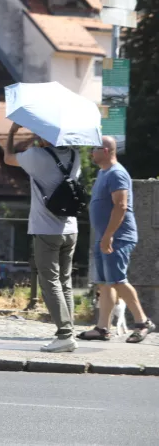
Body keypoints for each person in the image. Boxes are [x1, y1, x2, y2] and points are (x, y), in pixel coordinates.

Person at [4, 123, 80, 353]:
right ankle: (69, 331)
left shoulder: (36, 155)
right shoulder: (75, 156)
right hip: (70, 228)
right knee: (65, 282)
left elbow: (8, 158)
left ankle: (64, 334)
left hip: (46, 228)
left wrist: (12, 133)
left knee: (50, 282)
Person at [77, 136, 155, 343]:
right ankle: (103, 328)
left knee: (118, 281)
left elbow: (120, 206)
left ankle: (142, 322)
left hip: (117, 237)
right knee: (105, 284)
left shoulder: (117, 173)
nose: (91, 152)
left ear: (106, 150)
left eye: (94, 148)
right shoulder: (103, 173)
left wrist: (109, 236)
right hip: (106, 236)